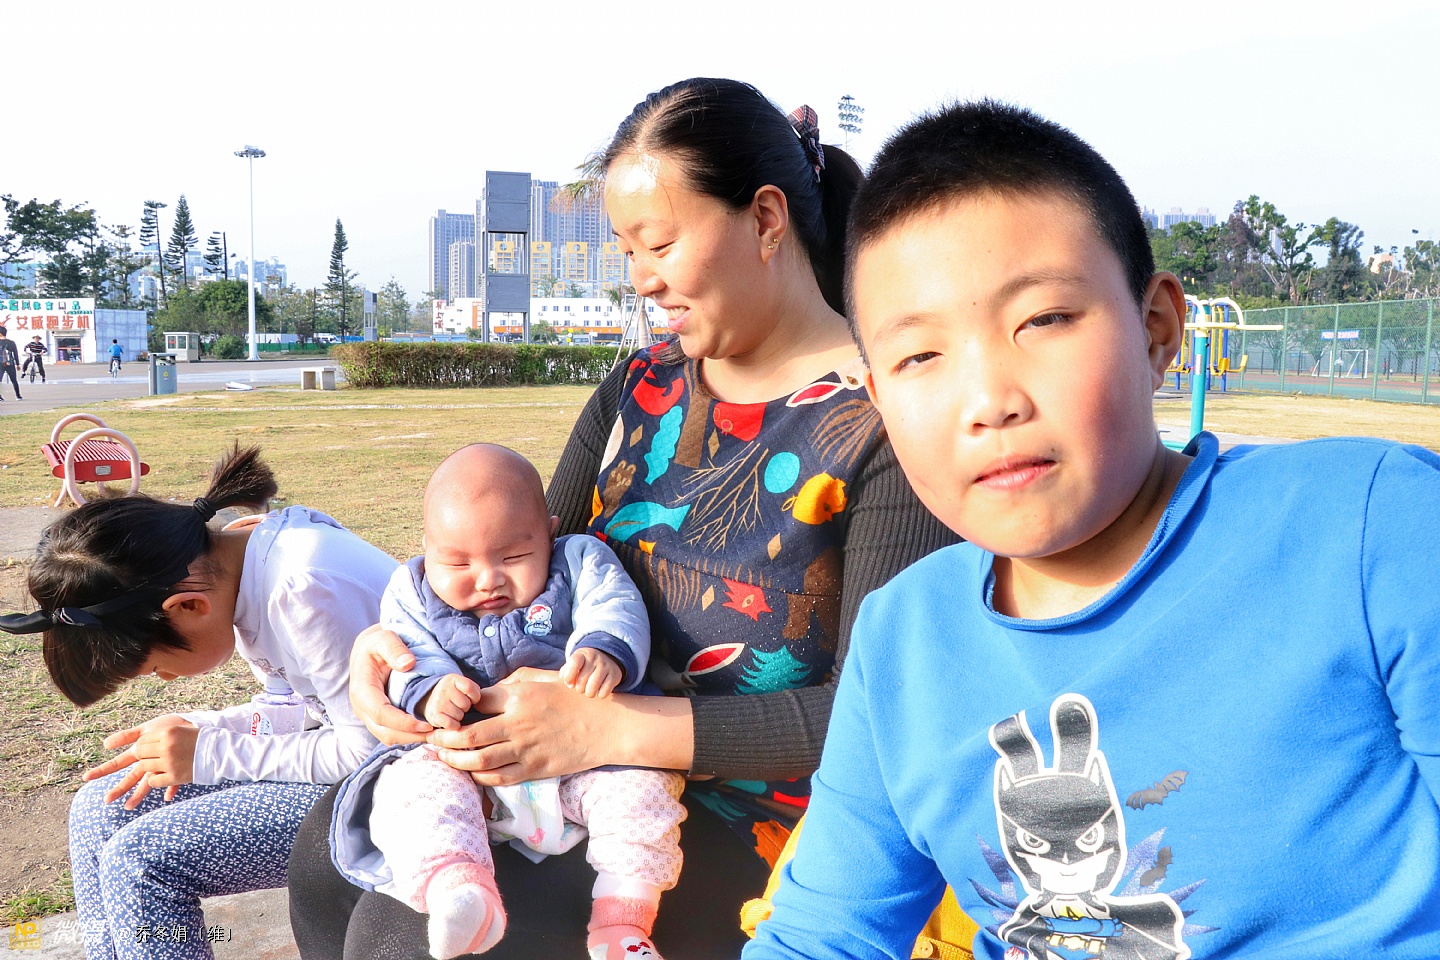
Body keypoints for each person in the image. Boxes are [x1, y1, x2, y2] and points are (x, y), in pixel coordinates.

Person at [744, 102, 1440, 959]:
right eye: (919, 356)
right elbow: (821, 935)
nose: (989, 402)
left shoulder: (1371, 526)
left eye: (1042, 320)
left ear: (1157, 330)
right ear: (879, 397)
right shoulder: (903, 638)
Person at [286, 77, 959, 960]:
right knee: (326, 854)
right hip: (575, 774)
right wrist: (392, 651)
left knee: (402, 935)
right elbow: (526, 565)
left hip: (756, 824)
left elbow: (873, 717)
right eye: (627, 249)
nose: (641, 280)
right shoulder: (640, 388)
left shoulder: (885, 421)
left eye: (661, 243)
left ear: (766, 219)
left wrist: (609, 728)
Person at [0, 445, 397, 960]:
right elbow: (299, 705)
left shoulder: (302, 590)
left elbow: (369, 750)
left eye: (154, 667)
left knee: (140, 861)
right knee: (102, 806)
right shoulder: (242, 563)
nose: (166, 678)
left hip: (410, 785)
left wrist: (207, 752)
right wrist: (200, 727)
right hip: (363, 762)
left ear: (187, 605)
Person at [330, 444, 685, 960]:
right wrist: (430, 692)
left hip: (589, 761)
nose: (488, 578)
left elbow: (613, 604)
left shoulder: (578, 559)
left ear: (549, 535)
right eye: (456, 562)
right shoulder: (410, 589)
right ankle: (459, 891)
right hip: (472, 772)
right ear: (426, 548)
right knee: (412, 788)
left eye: (514, 557)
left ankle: (621, 922)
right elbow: (407, 651)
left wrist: (602, 649)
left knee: (643, 797)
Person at [0, 325, 21, 399]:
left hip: (0, 364)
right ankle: (18, 396)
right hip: (10, 363)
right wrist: (17, 364)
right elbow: (15, 354)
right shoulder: (11, 343)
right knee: (14, 380)